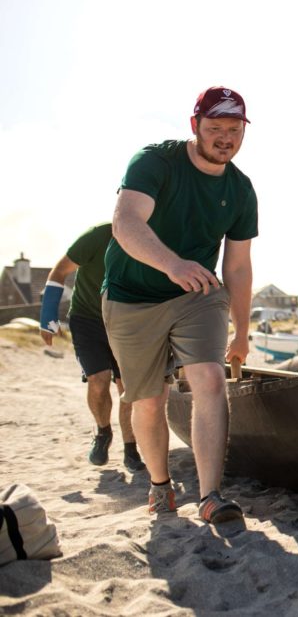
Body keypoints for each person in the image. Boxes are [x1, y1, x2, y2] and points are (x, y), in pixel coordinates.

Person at [102, 86, 258, 524]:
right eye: (215, 129)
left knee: (209, 379)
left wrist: (242, 333)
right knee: (149, 399)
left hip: (197, 295)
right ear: (195, 126)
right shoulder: (155, 162)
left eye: (234, 130)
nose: (225, 138)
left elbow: (239, 267)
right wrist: (171, 263)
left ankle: (210, 496)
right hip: (131, 296)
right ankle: (160, 486)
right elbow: (125, 222)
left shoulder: (241, 190)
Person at [38, 223, 144, 472]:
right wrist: (47, 317)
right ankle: (103, 432)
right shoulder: (98, 236)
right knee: (98, 379)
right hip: (87, 319)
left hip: (127, 322)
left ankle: (130, 448)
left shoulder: (154, 239)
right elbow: (59, 271)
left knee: (127, 387)